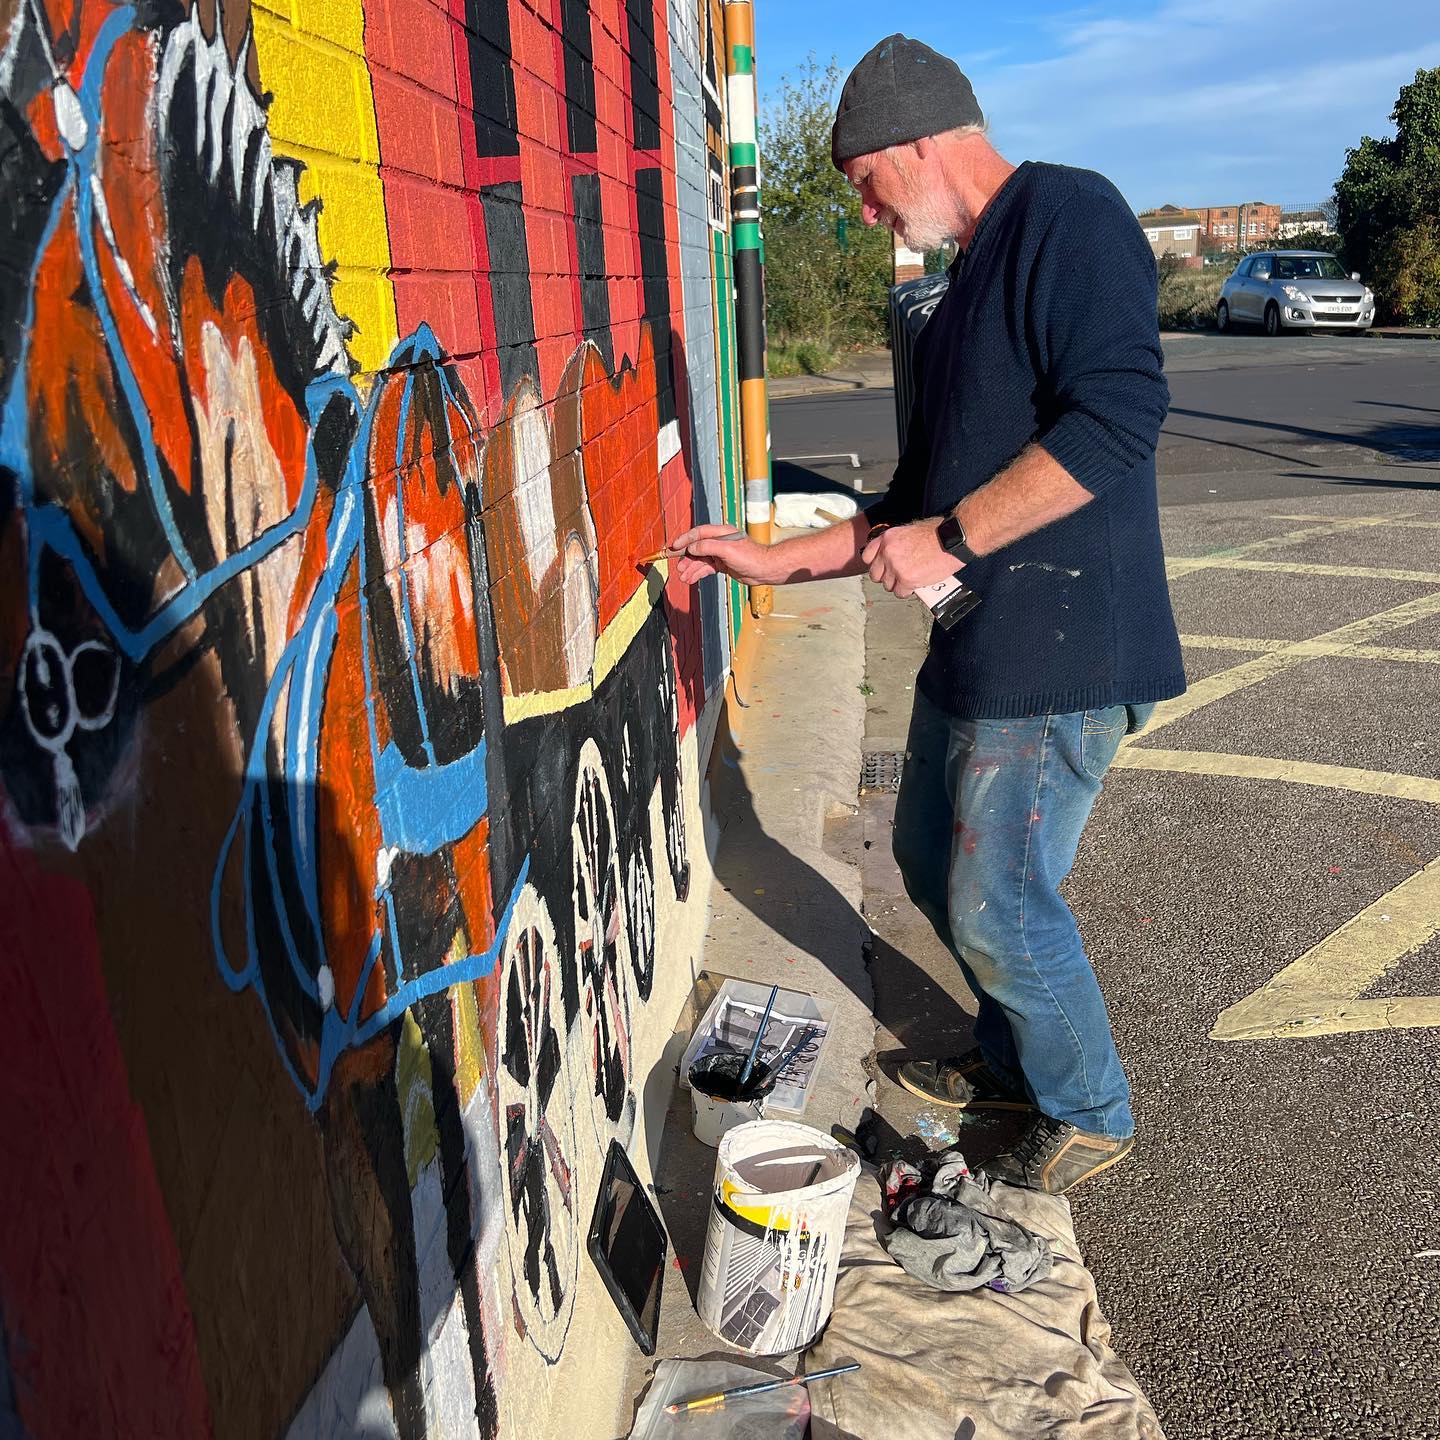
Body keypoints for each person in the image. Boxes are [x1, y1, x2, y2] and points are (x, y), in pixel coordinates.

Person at [668, 34, 1187, 1195]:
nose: (862, 213)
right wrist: (761, 561)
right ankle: (1013, 1058)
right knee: (922, 855)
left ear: (914, 140)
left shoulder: (1068, 215)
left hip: (1063, 647)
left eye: (861, 184)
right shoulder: (949, 300)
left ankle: (1089, 1107)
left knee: (997, 896)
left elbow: (1118, 420)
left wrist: (950, 541)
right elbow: (902, 513)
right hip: (977, 642)